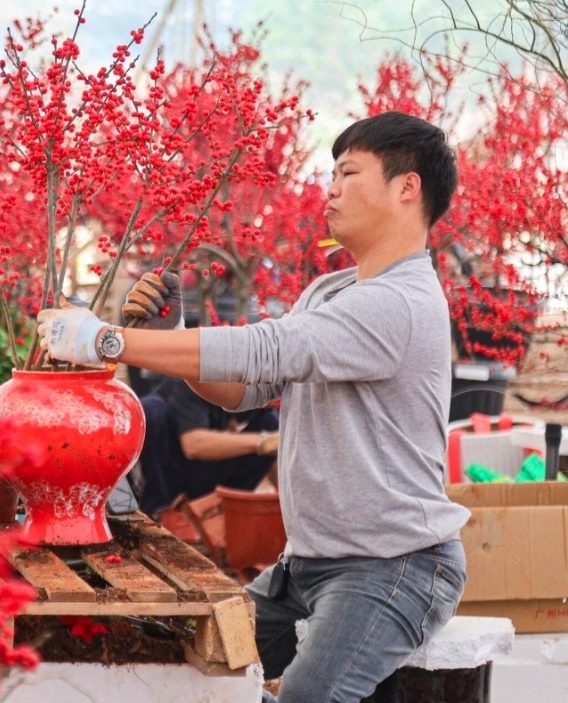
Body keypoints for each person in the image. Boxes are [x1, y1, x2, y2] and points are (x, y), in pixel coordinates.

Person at [36, 111, 470, 703]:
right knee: (187, 667)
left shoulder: (401, 302)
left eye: (348, 172)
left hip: (395, 567)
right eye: (332, 173)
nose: (332, 188)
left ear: (406, 187)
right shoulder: (330, 290)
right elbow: (246, 385)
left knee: (307, 697)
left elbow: (266, 345)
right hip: (307, 565)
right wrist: (176, 332)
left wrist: (106, 340)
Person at [136, 375, 279, 516]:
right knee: (151, 411)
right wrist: (263, 441)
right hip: (170, 472)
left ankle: (223, 510)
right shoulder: (191, 380)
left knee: (270, 425)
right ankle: (160, 512)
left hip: (202, 479)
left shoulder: (258, 389)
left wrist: (285, 501)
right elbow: (193, 445)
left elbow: (275, 450)